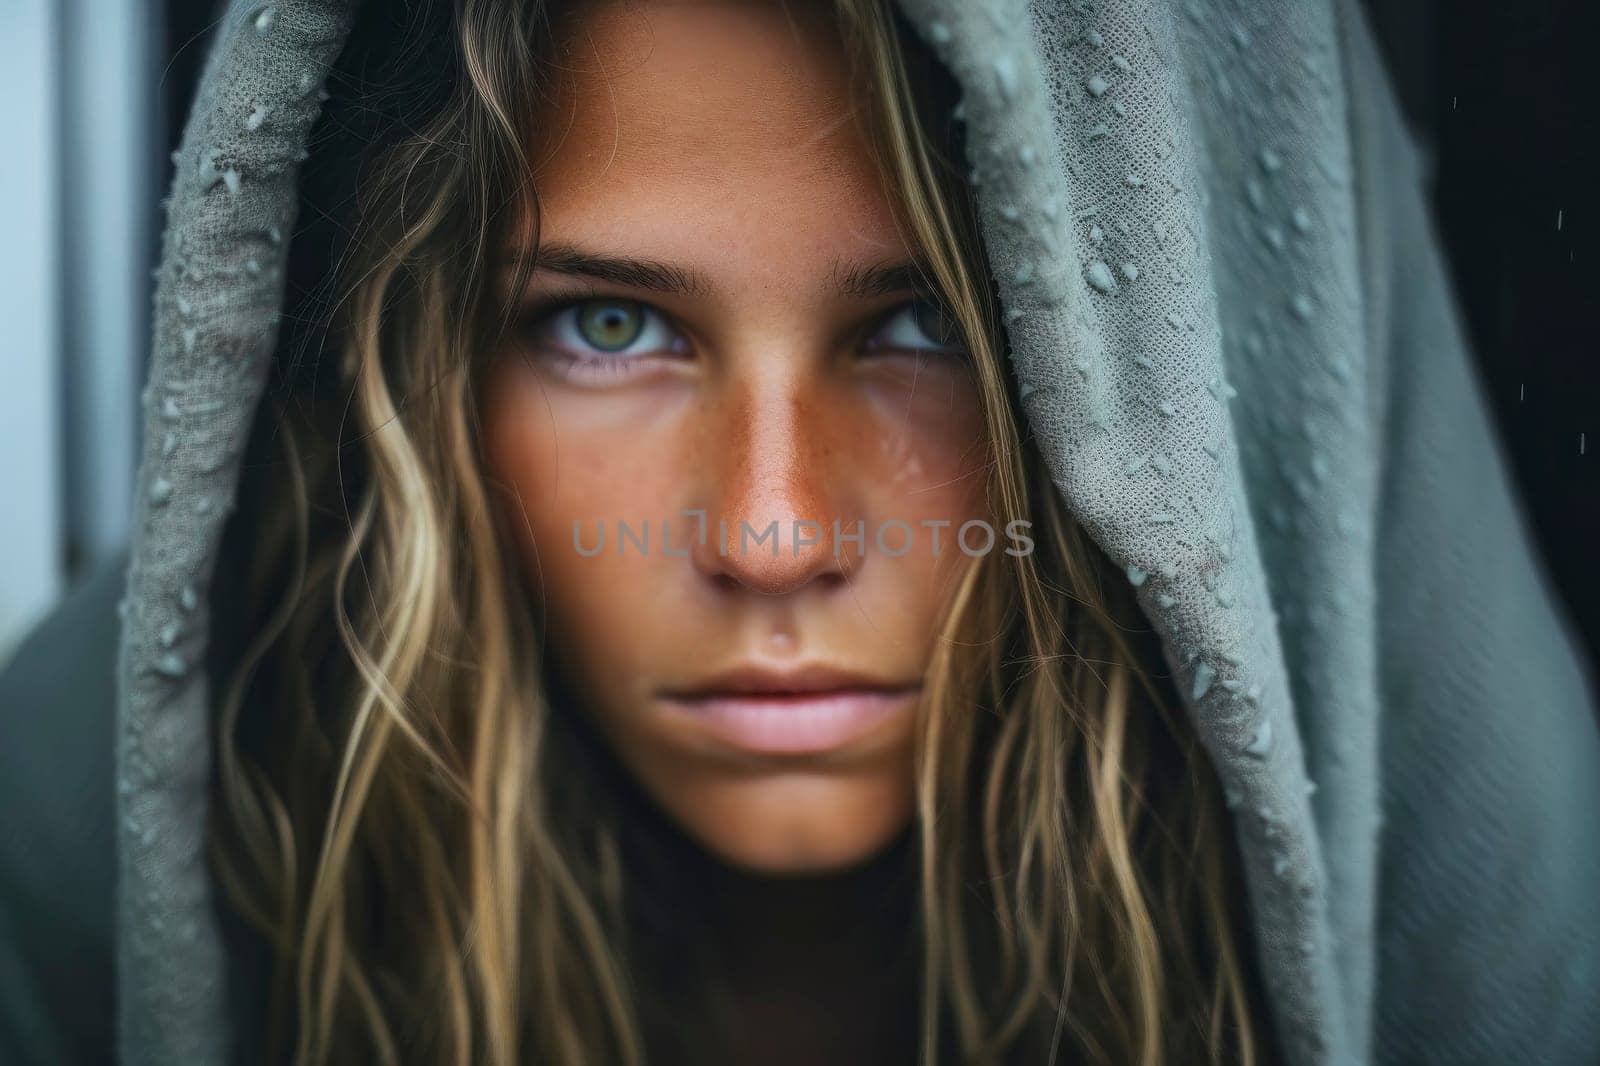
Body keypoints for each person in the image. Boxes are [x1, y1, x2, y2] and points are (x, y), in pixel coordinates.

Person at [3, 0, 1597, 1064]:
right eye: (611, 325)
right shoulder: (58, 914)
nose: (773, 535)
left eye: (934, 327)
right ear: (402, 381)